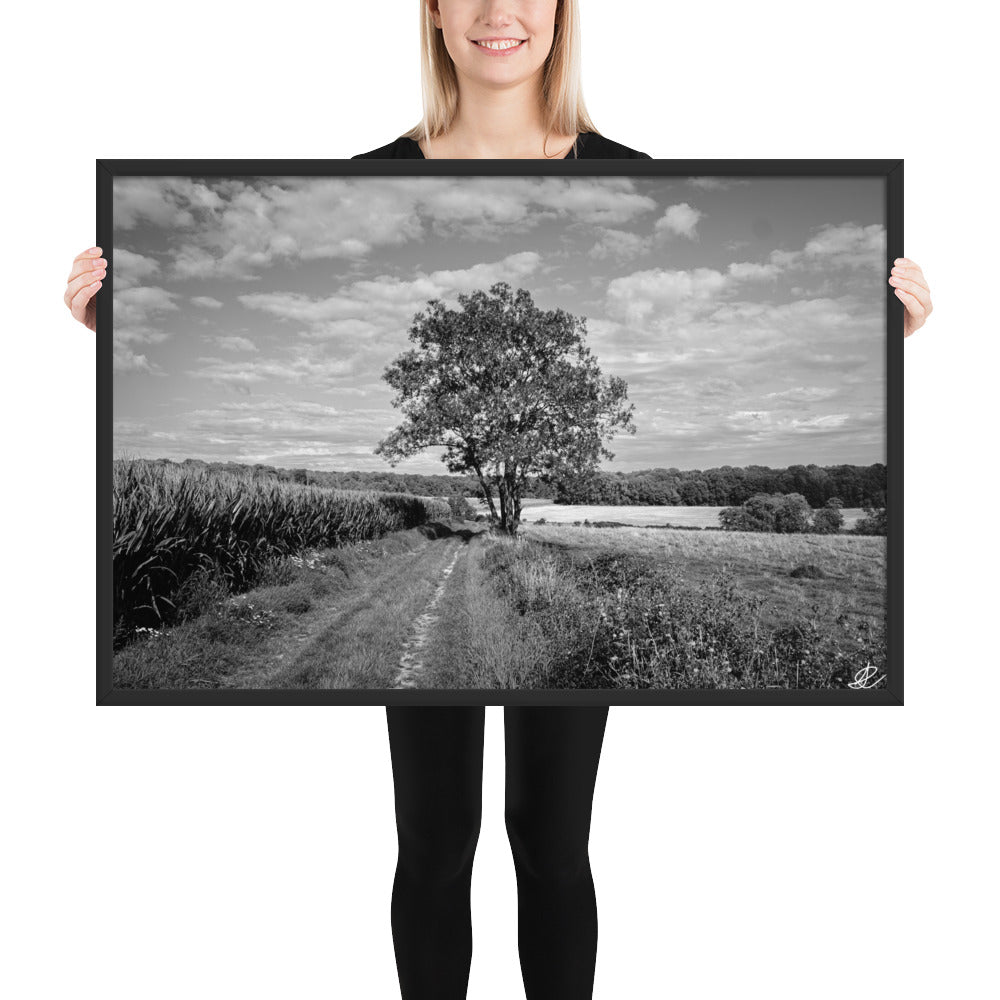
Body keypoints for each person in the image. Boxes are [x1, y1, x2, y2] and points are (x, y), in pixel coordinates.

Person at [65, 2, 933, 998]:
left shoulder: (624, 171)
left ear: (564, 13)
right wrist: (108, 328)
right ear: (430, 14)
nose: (497, 11)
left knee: (552, 842)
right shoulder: (370, 180)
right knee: (436, 843)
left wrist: (887, 347)